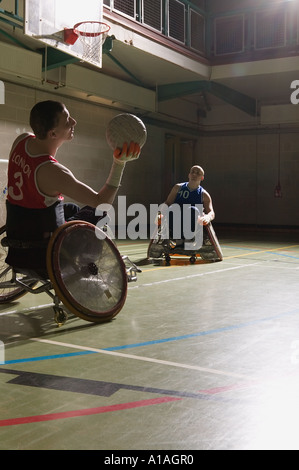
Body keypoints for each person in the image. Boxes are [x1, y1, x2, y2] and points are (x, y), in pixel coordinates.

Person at [5, 100, 141, 273]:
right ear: (53, 133)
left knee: (71, 208)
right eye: (67, 119)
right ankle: (84, 267)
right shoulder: (52, 171)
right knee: (97, 213)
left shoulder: (21, 140)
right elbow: (102, 201)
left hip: (18, 235)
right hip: (44, 252)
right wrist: (119, 163)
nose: (73, 122)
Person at [162, 165, 215, 245]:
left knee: (192, 210)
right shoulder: (178, 188)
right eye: (192, 172)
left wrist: (207, 217)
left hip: (193, 225)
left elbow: (211, 212)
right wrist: (159, 213)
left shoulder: (204, 194)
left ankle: (189, 238)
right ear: (189, 175)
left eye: (198, 173)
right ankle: (177, 238)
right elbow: (167, 203)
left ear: (202, 178)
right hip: (176, 222)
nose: (194, 174)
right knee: (173, 208)